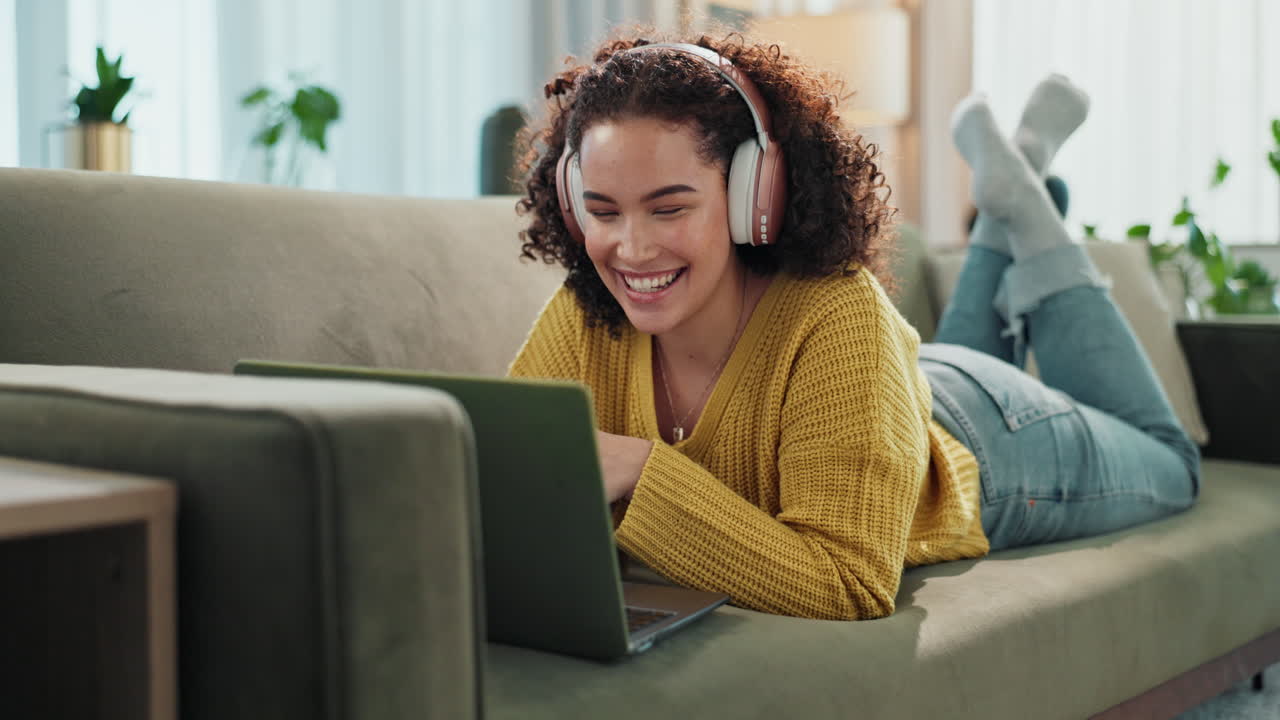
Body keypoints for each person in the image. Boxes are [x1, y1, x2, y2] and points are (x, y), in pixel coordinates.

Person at [507, 29, 1200, 621]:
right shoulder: (583, 315)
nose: (630, 249)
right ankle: (1002, 201)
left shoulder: (838, 311)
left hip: (990, 437)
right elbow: (500, 491)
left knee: (1172, 462)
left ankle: (1023, 205)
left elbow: (849, 578)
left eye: (668, 208)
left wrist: (640, 470)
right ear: (570, 204)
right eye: (603, 211)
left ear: (756, 196)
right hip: (886, 397)